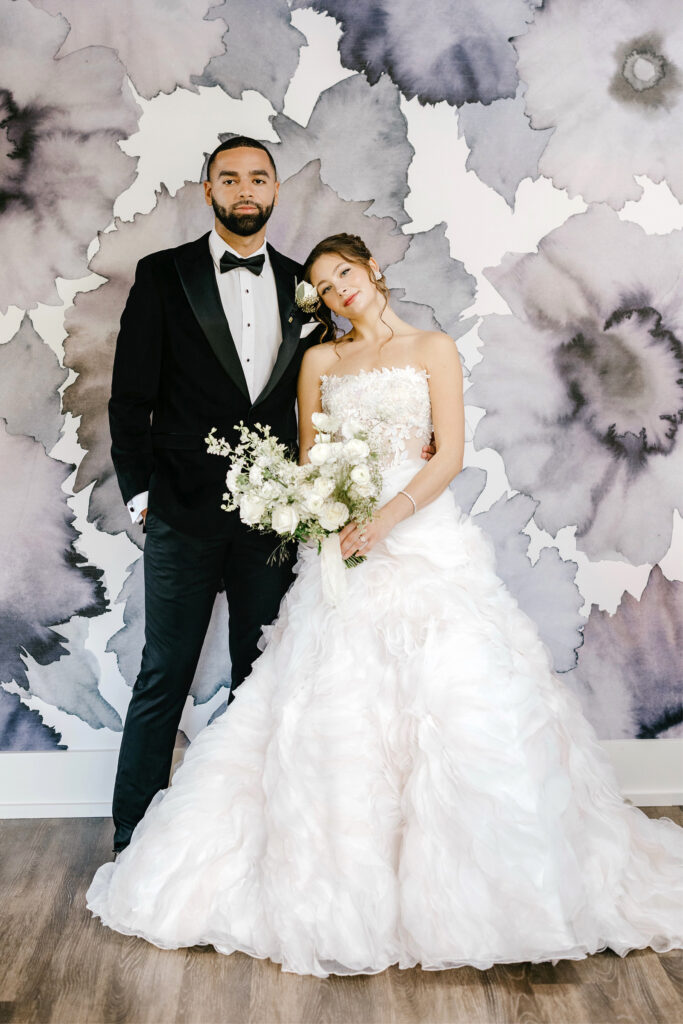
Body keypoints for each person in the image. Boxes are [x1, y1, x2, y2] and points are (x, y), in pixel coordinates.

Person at [89, 233, 683, 976]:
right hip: (345, 546)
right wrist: (333, 516)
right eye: (324, 287)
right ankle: (338, 881)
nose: (339, 291)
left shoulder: (431, 348)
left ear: (371, 270)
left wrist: (388, 516)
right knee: (331, 704)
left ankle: (478, 888)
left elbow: (449, 454)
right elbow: (310, 456)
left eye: (345, 274)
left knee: (461, 699)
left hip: (420, 535)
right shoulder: (318, 362)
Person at [107, 137, 323, 855]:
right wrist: (142, 496)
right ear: (207, 191)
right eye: (228, 178)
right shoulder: (162, 276)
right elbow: (128, 398)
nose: (243, 189)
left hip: (273, 519)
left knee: (261, 679)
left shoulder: (303, 285)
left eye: (257, 177)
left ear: (274, 190)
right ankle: (135, 834)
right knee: (164, 672)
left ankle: (252, 830)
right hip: (181, 512)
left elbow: (315, 398)